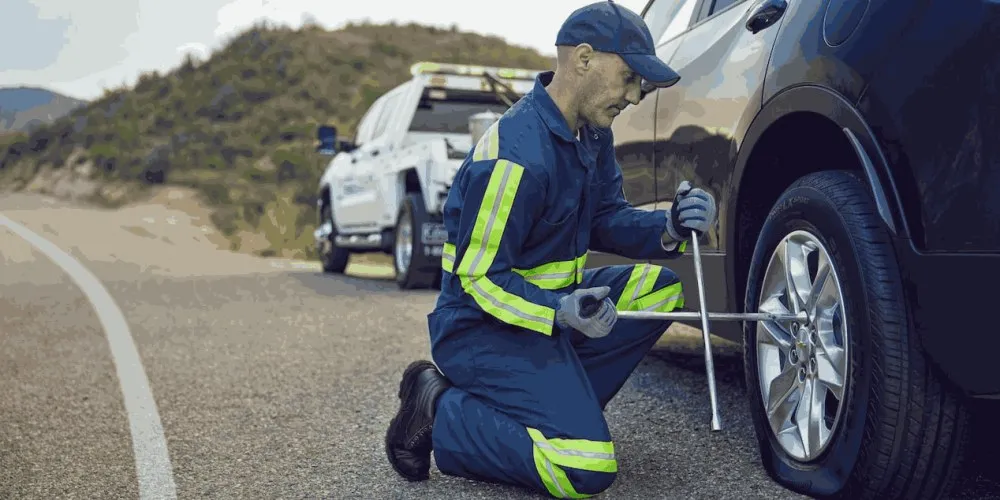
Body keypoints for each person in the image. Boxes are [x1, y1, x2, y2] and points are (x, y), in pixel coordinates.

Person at [384, 1, 718, 497]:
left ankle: (555, 406)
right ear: (583, 59)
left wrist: (669, 225)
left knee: (658, 291)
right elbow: (479, 281)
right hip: (483, 329)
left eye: (638, 85)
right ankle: (438, 407)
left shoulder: (591, 134)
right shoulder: (513, 158)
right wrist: (559, 312)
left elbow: (605, 218)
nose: (633, 96)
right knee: (584, 468)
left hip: (552, 317)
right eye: (628, 78)